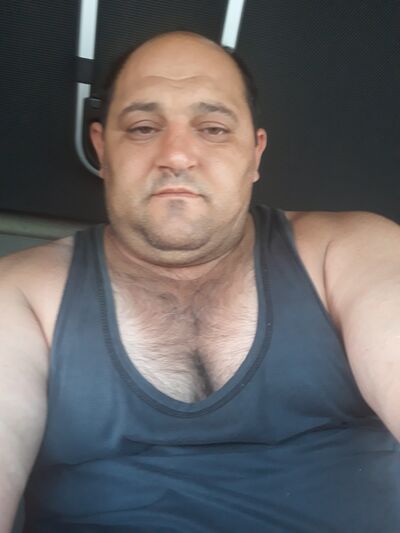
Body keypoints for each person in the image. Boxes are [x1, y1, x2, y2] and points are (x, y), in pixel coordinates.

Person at [0, 31, 399, 533]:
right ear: (102, 149)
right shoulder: (21, 293)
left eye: (212, 129)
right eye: (143, 128)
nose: (177, 155)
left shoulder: (352, 252)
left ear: (255, 154)